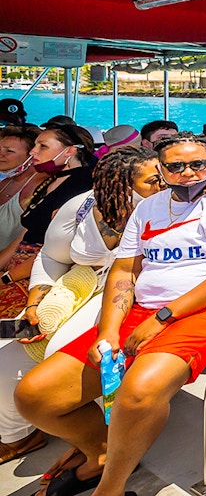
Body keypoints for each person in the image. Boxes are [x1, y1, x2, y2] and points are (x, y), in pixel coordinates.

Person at [15, 133, 206, 496]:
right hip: (145, 307)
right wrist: (108, 331)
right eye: (176, 166)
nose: (189, 173)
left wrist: (162, 317)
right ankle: (103, 452)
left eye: (198, 164)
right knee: (36, 396)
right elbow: (124, 271)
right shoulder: (149, 208)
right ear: (162, 170)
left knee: (139, 390)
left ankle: (110, 487)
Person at [0, 147, 162, 468]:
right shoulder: (80, 208)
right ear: (120, 184)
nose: (165, 186)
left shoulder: (171, 213)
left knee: (60, 358)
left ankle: (101, 443)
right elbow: (52, 257)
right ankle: (17, 437)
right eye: (154, 181)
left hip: (134, 303)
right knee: (4, 360)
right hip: (72, 293)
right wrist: (36, 303)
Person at [0, 126, 96, 291]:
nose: (33, 152)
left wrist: (7, 278)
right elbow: (25, 233)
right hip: (17, 270)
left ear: (69, 151)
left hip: (39, 274)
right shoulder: (50, 181)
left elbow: (59, 248)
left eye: (42, 146)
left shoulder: (82, 186)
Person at [0, 125, 42, 251]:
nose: (1, 154)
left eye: (9, 151)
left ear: (32, 156)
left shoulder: (38, 188)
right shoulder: (5, 182)